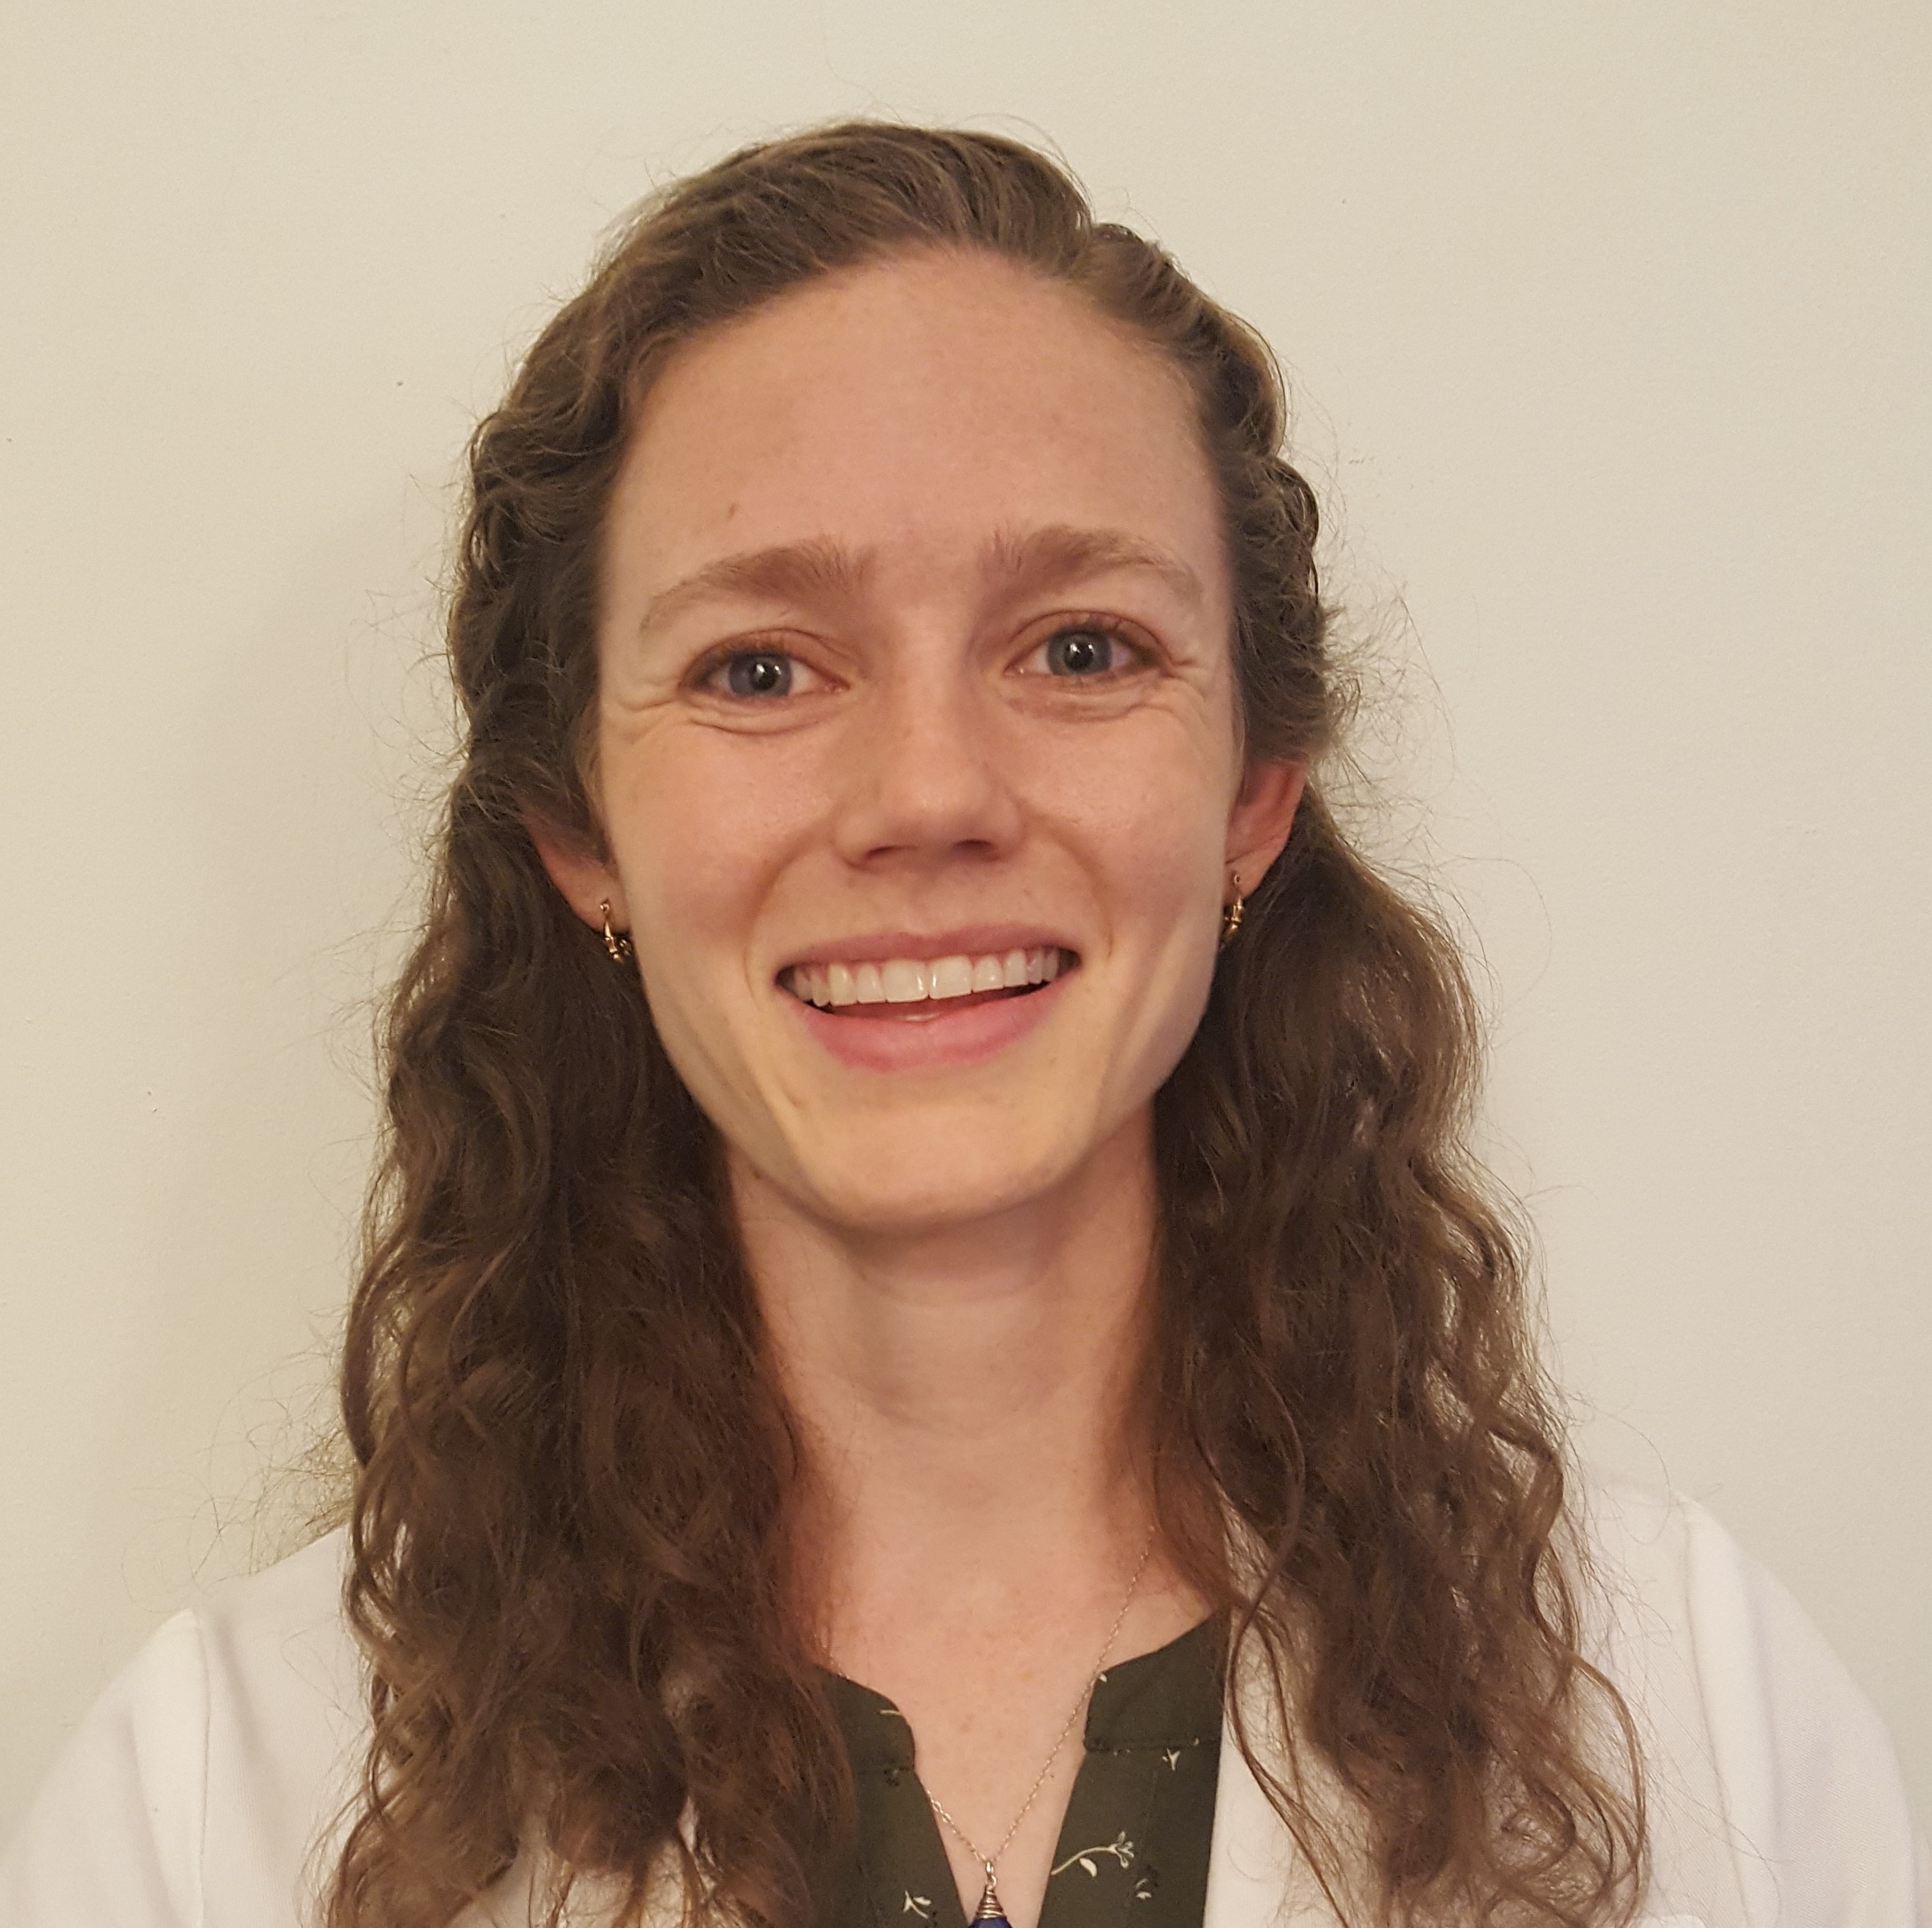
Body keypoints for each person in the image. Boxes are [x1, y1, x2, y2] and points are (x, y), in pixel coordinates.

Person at [1, 122, 1923, 1928]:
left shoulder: (1692, 1719)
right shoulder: (221, 1808)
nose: (928, 791)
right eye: (758, 668)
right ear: (579, 831)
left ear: (1255, 790)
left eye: (1081, 648)